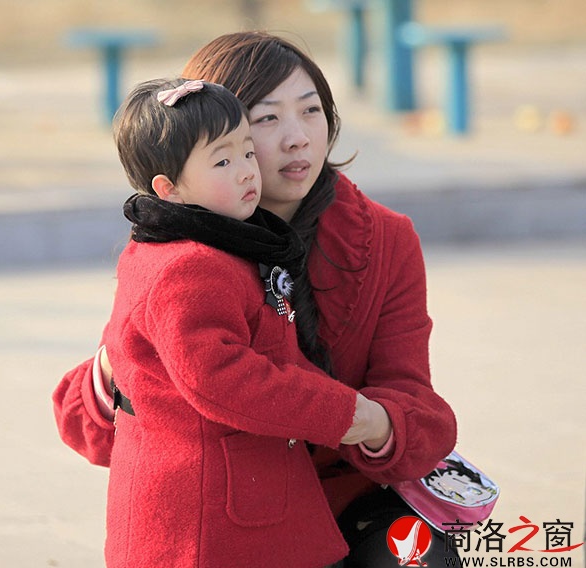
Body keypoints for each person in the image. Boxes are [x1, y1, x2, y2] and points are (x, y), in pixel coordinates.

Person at [53, 31, 459, 567]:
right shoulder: (180, 252)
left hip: (347, 501)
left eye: (311, 110)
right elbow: (90, 423)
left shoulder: (384, 238)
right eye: (266, 119)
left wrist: (370, 421)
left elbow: (419, 409)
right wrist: (132, 355)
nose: (298, 138)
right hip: (225, 515)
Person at [94, 76, 386, 568]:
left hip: (243, 500)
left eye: (247, 152)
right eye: (222, 162)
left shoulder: (220, 245)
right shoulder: (186, 266)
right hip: (205, 518)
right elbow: (222, 377)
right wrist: (344, 413)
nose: (248, 170)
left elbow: (274, 354)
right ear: (170, 189)